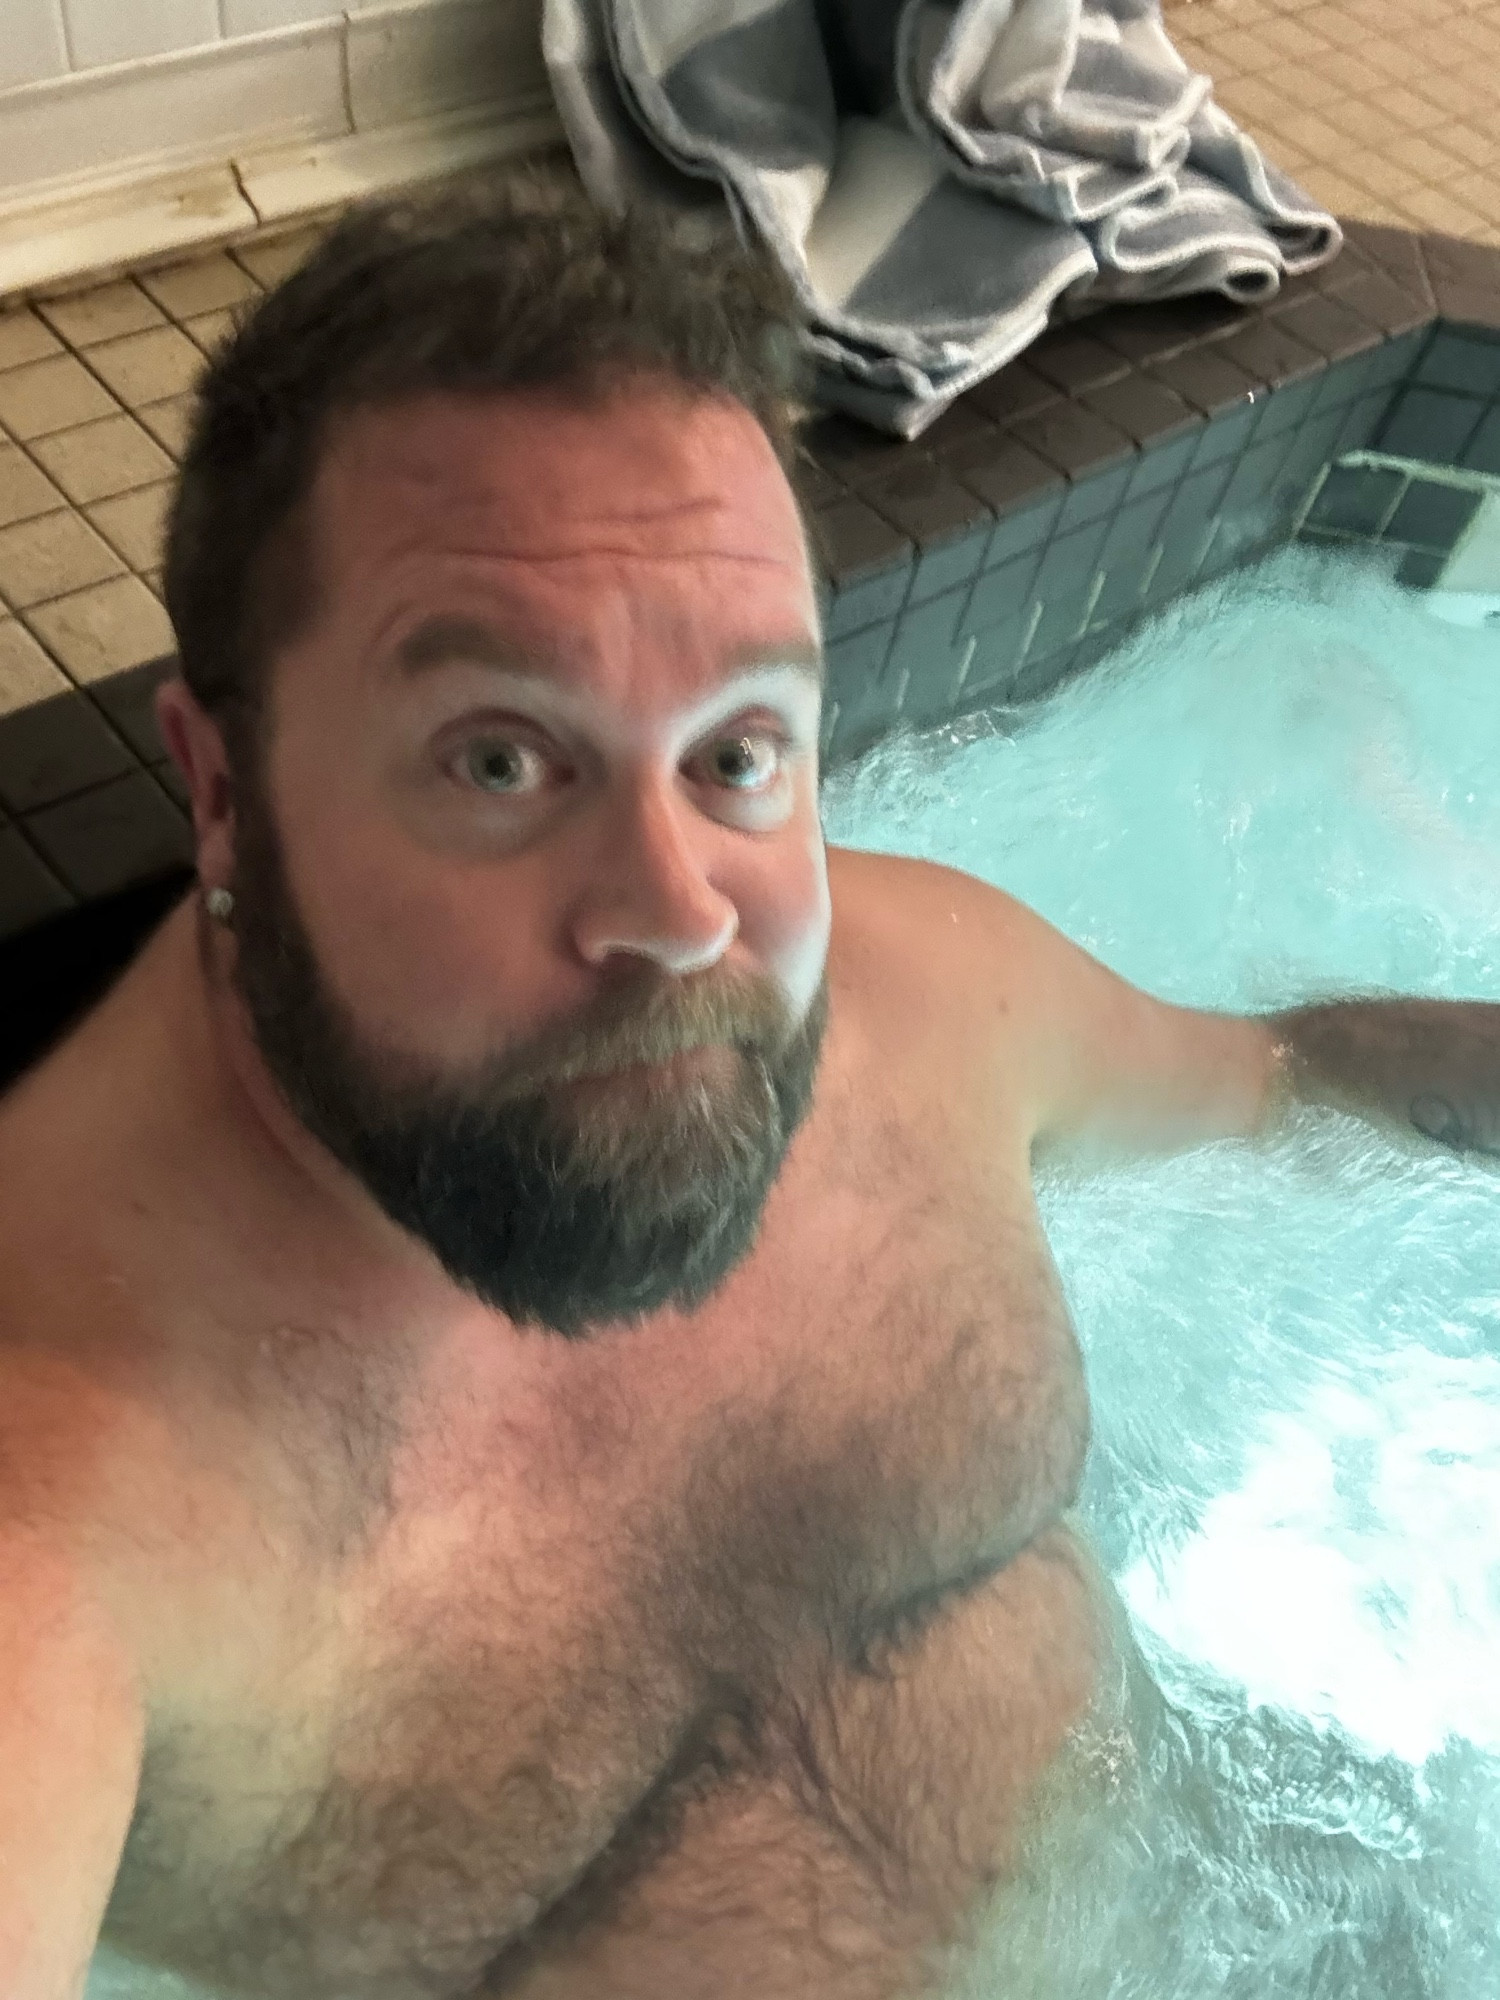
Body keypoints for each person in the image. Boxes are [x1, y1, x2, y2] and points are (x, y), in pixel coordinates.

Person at [1, 164, 1495, 2000]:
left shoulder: (924, 998)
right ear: (222, 789)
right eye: (500, 760)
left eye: (739, 752)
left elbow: (1285, 1076)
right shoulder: (57, 1495)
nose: (678, 913)